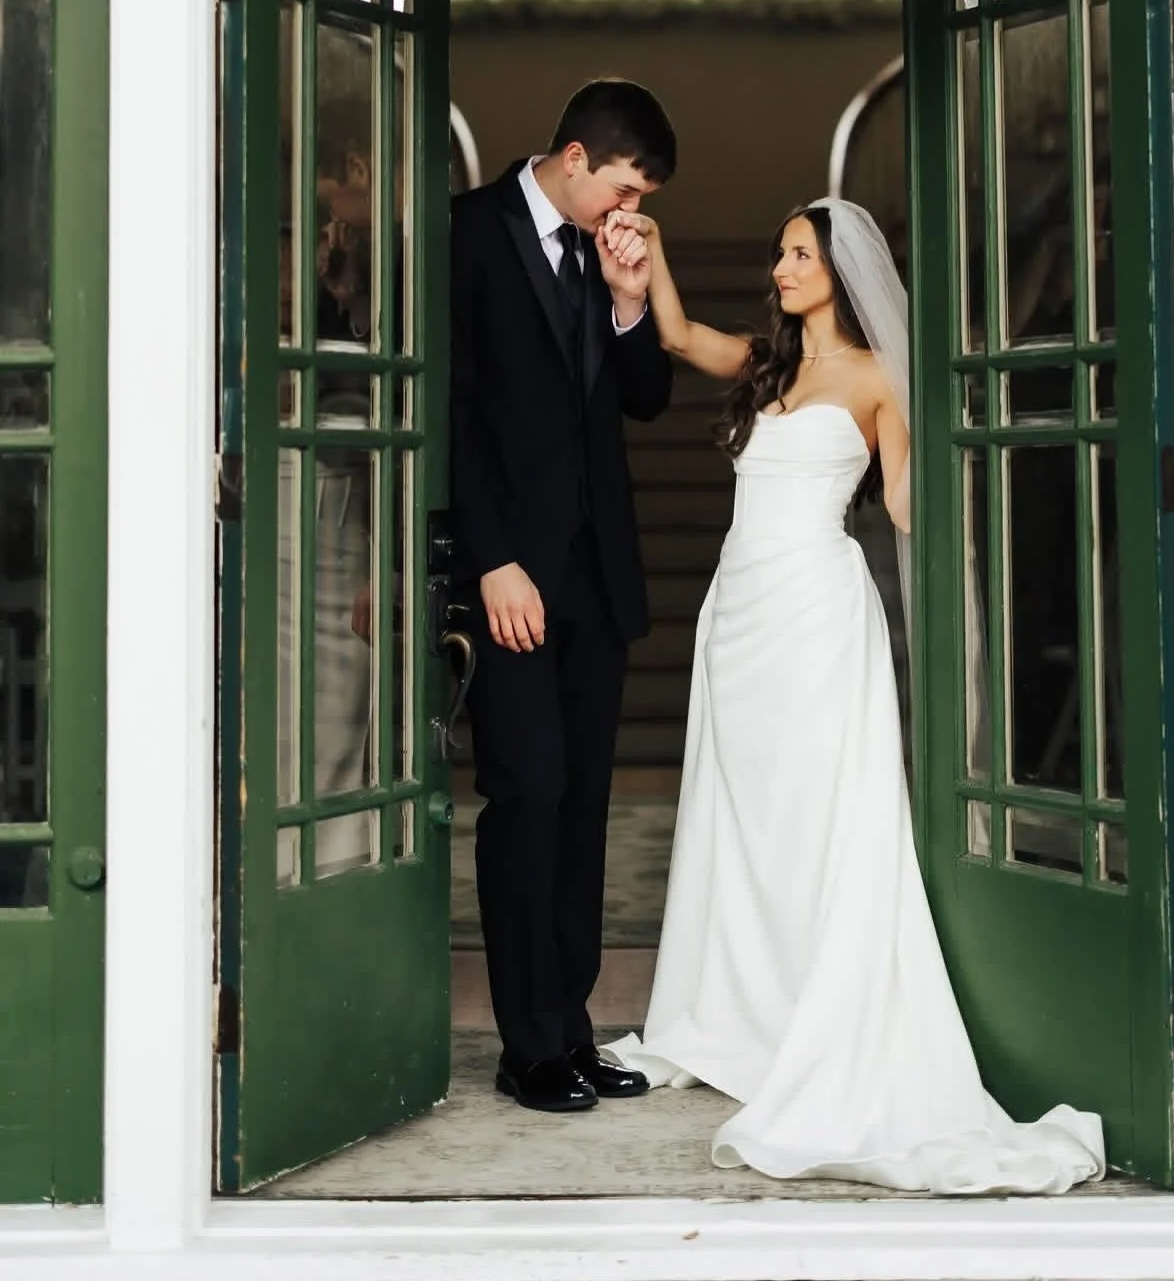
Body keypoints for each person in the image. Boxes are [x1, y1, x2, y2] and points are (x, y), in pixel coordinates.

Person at [598, 198, 1105, 1194]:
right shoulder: (767, 363)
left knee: (823, 812)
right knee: (745, 817)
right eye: (779, 250)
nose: (781, 266)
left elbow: (911, 503)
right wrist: (652, 250)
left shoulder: (879, 380)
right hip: (736, 615)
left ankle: (819, 1015)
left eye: (798, 252)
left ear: (840, 268)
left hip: (821, 618)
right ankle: (747, 1009)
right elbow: (674, 334)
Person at [450, 79, 676, 1114]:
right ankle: (526, 1042)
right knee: (526, 795)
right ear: (576, 156)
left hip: (597, 575)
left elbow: (645, 398)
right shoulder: (467, 231)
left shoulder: (608, 251)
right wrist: (488, 555)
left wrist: (632, 302)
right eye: (624, 188)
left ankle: (573, 1029)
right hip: (511, 576)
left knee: (585, 806)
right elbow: (446, 406)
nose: (630, 212)